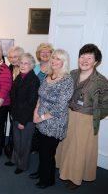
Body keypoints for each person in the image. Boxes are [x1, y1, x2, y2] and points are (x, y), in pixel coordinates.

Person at [55, 44, 108, 189]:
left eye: (89, 57)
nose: (84, 60)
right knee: (66, 144)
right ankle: (63, 168)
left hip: (86, 120)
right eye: (82, 56)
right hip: (69, 115)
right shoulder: (71, 74)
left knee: (80, 150)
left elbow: (106, 104)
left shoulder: (101, 81)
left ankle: (76, 178)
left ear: (95, 61)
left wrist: (93, 115)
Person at [33, 49, 74, 189]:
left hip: (54, 122)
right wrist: (35, 112)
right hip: (40, 119)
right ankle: (40, 172)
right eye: (53, 58)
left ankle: (48, 179)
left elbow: (60, 106)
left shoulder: (67, 80)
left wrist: (42, 117)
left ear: (64, 62)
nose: (54, 61)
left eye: (58, 59)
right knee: (42, 150)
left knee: (47, 153)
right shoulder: (48, 76)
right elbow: (40, 96)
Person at [8, 53, 40, 174]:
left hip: (26, 118)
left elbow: (31, 103)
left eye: (26, 63)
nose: (23, 65)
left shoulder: (33, 80)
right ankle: (14, 159)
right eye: (21, 62)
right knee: (16, 141)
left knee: (24, 143)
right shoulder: (20, 76)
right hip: (16, 114)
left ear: (32, 65)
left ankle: (22, 165)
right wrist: (13, 114)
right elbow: (14, 96)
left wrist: (23, 121)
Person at [4, 46, 24, 161]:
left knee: (18, 128)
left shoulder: (24, 69)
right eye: (10, 57)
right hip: (11, 102)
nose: (12, 59)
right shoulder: (9, 67)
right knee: (12, 127)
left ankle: (16, 152)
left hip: (21, 105)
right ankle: (11, 149)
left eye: (15, 57)